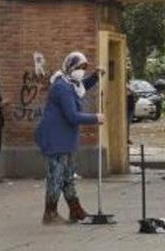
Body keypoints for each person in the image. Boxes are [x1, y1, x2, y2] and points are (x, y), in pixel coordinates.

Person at [34, 51, 103, 224]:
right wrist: (95, 118)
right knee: (55, 177)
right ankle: (50, 213)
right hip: (55, 139)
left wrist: (95, 76)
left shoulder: (71, 84)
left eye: (84, 68)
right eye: (79, 67)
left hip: (66, 139)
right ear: (70, 67)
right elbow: (72, 116)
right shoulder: (62, 87)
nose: (82, 71)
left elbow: (83, 86)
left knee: (67, 176)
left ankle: (76, 210)